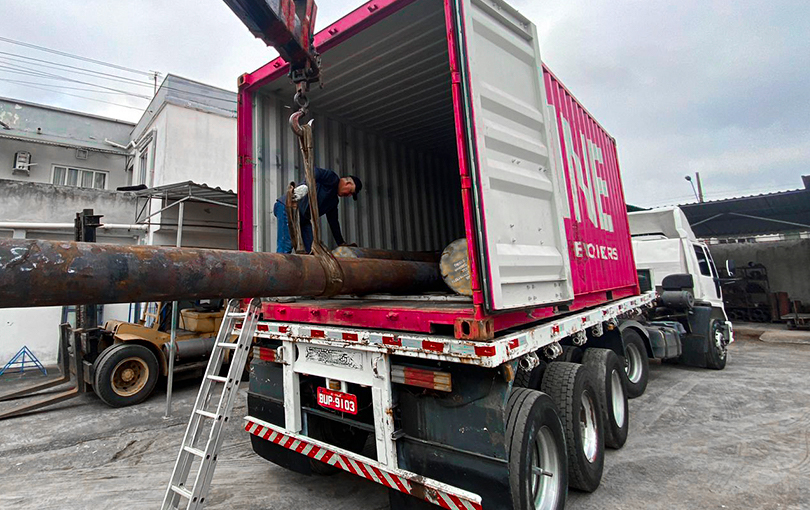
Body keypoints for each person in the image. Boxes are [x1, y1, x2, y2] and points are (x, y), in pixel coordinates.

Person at [273, 168, 362, 253]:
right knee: (286, 246)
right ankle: (278, 266)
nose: (349, 195)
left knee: (313, 249)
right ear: (348, 183)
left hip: (302, 218)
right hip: (287, 207)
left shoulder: (333, 201)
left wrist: (341, 243)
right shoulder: (333, 178)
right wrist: (305, 185)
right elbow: (314, 171)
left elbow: (334, 223)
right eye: (350, 192)